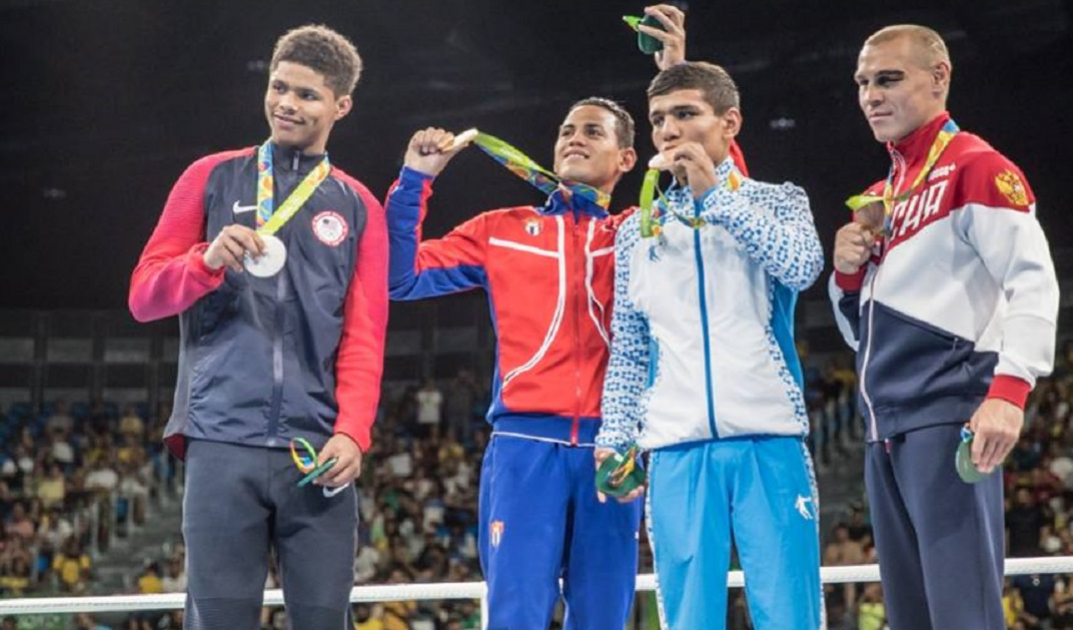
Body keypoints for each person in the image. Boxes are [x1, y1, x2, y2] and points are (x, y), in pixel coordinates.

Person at [386, 9, 730, 628]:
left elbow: (726, 193)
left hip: (613, 447)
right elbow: (398, 278)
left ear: (628, 159)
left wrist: (678, 74)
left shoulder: (641, 232)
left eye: (593, 132)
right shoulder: (502, 231)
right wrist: (415, 181)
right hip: (523, 447)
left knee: (602, 614)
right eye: (568, 129)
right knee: (516, 612)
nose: (574, 137)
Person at [128, 24, 387, 628]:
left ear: (340, 106)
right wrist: (205, 261)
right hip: (221, 440)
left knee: (325, 619)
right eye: (278, 88)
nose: (287, 104)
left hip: (316, 449)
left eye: (307, 94)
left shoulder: (358, 205)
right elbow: (143, 296)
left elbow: (365, 333)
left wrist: (352, 432)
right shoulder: (211, 177)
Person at [829, 24, 1059, 629]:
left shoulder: (976, 167)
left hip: (948, 415)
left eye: (888, 78)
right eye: (862, 83)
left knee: (963, 613)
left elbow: (1033, 281)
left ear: (939, 77)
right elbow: (863, 333)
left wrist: (1010, 393)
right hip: (884, 425)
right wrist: (848, 274)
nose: (870, 95)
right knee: (912, 618)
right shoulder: (881, 195)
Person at [598, 61, 824, 629]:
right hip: (675, 447)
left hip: (769, 439)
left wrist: (716, 197)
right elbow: (630, 347)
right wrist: (616, 436)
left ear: (730, 123)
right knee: (689, 619)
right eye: (659, 120)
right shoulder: (636, 231)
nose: (670, 130)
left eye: (685, 114)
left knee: (790, 614)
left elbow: (802, 267)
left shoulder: (779, 201)